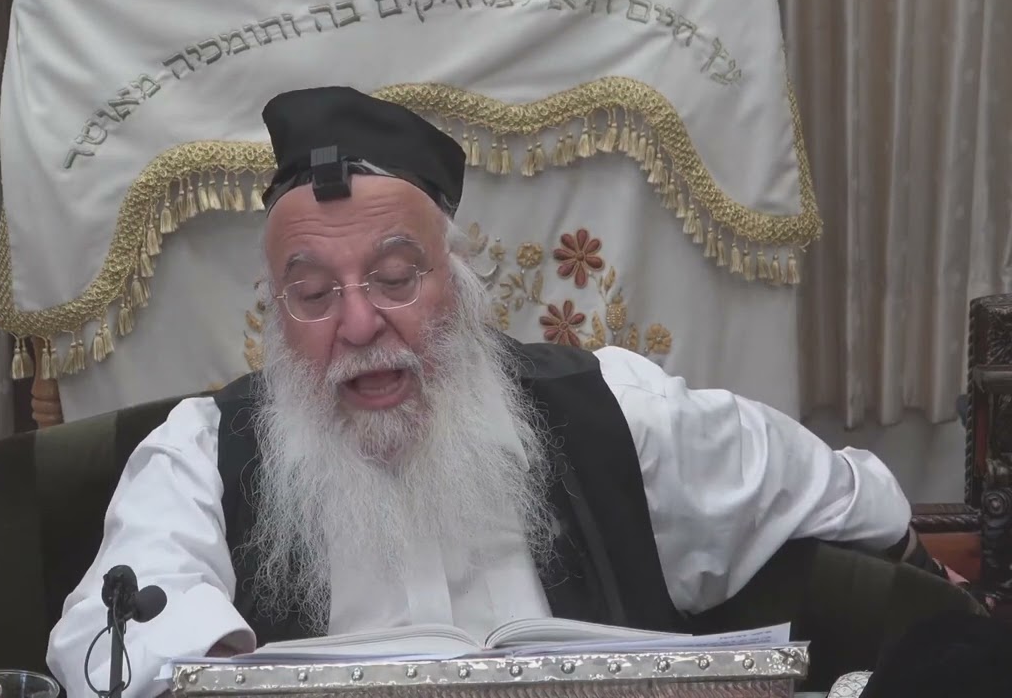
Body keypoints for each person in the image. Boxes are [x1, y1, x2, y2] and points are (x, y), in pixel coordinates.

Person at [47, 86, 943, 695]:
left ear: (463, 283)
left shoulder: (612, 410)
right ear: (278, 316)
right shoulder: (205, 449)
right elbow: (105, 639)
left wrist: (915, 558)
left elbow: (830, 489)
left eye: (395, 278)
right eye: (313, 294)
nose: (358, 325)